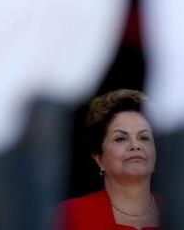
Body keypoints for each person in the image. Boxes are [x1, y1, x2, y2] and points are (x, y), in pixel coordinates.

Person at [54, 89, 161, 230]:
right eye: (120, 138)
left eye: (144, 137)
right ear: (99, 158)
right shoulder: (68, 214)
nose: (135, 146)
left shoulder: (180, 211)